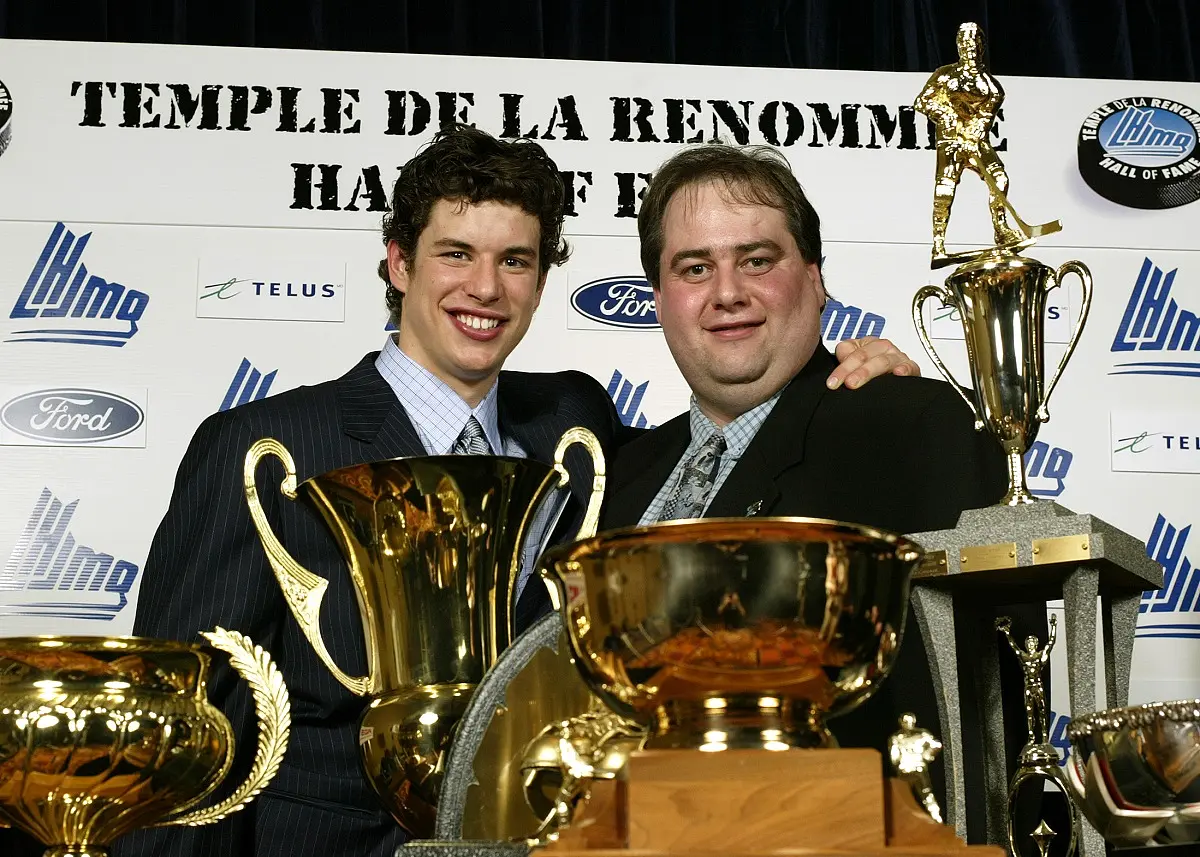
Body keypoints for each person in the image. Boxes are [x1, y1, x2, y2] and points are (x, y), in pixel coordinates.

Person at [100, 126, 917, 857]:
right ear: (399, 262)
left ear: (540, 279)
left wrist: (846, 376)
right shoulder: (260, 447)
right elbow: (183, 733)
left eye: (516, 260)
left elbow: (717, 455)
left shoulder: (577, 423)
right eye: (456, 253)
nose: (486, 288)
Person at [599, 141, 1043, 841]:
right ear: (659, 298)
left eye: (757, 259)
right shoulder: (621, 472)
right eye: (694, 267)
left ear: (815, 278)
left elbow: (990, 701)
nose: (727, 292)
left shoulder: (909, 426)